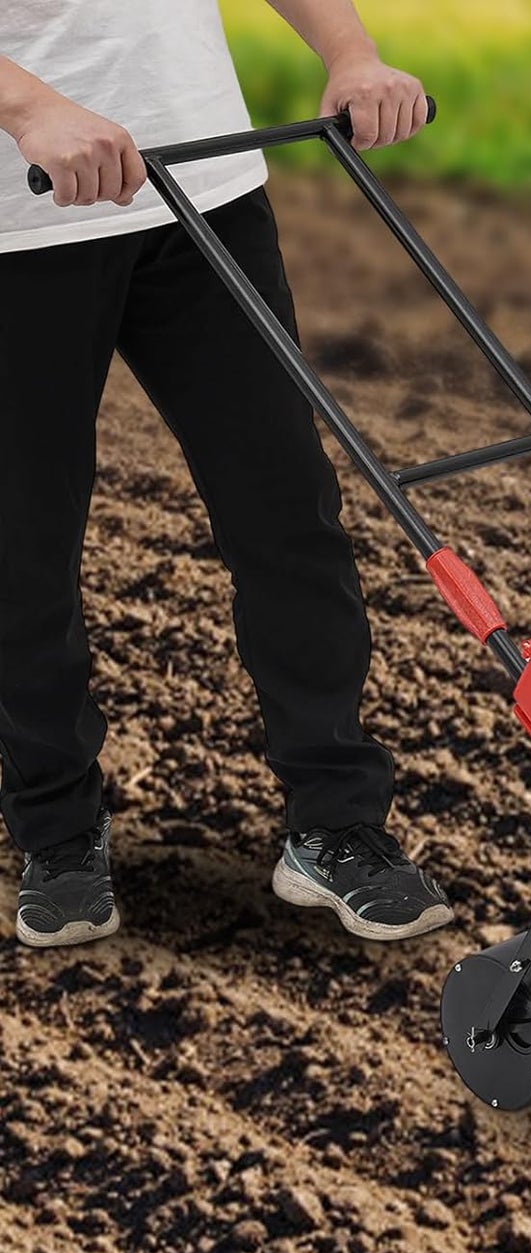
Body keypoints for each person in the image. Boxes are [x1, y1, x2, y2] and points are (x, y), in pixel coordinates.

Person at [0, 1, 453, 947]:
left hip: (205, 187)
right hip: (21, 220)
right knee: (22, 547)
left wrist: (351, 53)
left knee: (287, 509)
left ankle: (335, 823)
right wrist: (28, 106)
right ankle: (56, 830)